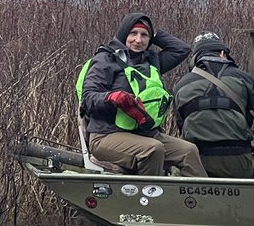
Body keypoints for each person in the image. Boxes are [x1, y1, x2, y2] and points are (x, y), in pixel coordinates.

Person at [77, 12, 207, 176]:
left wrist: (155, 34)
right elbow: (88, 97)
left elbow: (181, 49)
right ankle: (152, 199)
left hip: (145, 134)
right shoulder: (106, 60)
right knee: (153, 149)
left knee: (188, 151)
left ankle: (200, 200)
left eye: (144, 35)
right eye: (133, 33)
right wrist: (112, 98)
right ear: (124, 33)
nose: (138, 40)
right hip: (106, 136)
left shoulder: (151, 61)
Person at [173, 31, 254, 178]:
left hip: (197, 165)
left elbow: (182, 127)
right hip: (239, 166)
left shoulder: (181, 86)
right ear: (222, 53)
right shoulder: (243, 78)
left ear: (196, 58)